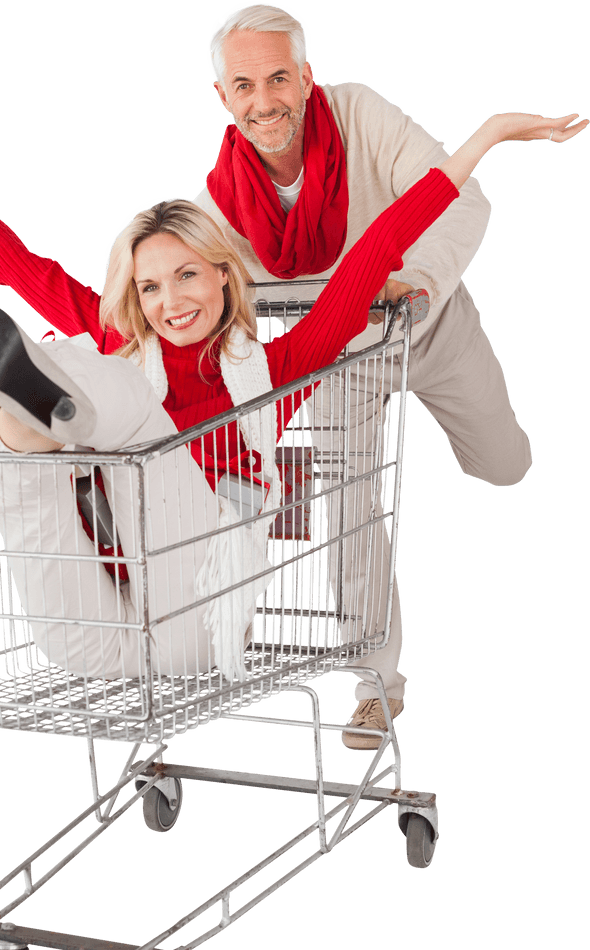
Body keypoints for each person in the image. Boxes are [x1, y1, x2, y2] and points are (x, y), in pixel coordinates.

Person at [0, 110, 582, 735]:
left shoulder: (279, 364)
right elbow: (24, 272)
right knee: (27, 468)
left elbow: (378, 245)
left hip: (195, 615)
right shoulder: (122, 341)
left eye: (188, 274)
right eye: (150, 286)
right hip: (95, 640)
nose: (171, 301)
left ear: (223, 272)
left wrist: (481, 139)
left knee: (114, 395)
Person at [193, 2, 582, 743]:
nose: (264, 100)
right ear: (223, 97)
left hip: (432, 327)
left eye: (278, 78)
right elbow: (177, 282)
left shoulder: (360, 114)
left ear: (305, 78)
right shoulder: (219, 204)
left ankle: (493, 453)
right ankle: (377, 684)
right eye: (243, 85)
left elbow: (458, 195)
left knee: (504, 467)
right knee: (348, 513)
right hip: (341, 365)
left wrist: (415, 287)